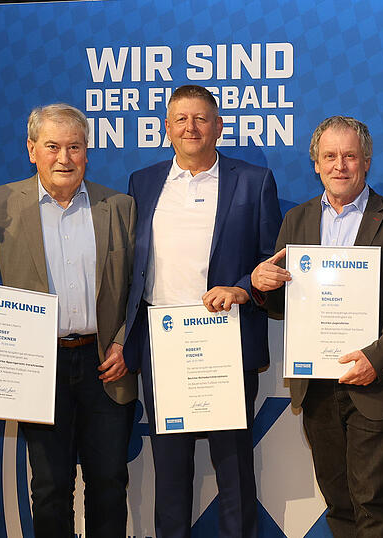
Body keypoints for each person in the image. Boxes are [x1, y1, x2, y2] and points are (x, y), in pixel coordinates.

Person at [0, 103, 137, 537]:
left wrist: (124, 342)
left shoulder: (119, 206)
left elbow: (137, 287)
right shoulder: (1, 203)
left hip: (106, 365)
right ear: (31, 150)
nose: (64, 158)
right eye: (52, 147)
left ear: (87, 151)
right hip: (37, 369)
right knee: (48, 486)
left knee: (108, 483)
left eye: (74, 147)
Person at [123, 84, 282, 537]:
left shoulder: (254, 181)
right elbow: (132, 269)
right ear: (166, 128)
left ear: (219, 126)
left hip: (224, 342)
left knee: (233, 468)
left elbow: (270, 261)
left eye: (201, 118)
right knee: (170, 470)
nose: (190, 127)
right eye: (181, 119)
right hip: (163, 342)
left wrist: (242, 289)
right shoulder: (143, 182)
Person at [250, 116, 383, 536]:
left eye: (349, 156)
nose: (340, 165)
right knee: (338, 503)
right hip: (318, 387)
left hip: (373, 384)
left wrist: (375, 360)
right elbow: (285, 303)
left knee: (374, 505)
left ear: (366, 162)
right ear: (317, 164)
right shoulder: (298, 221)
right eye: (330, 156)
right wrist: (261, 286)